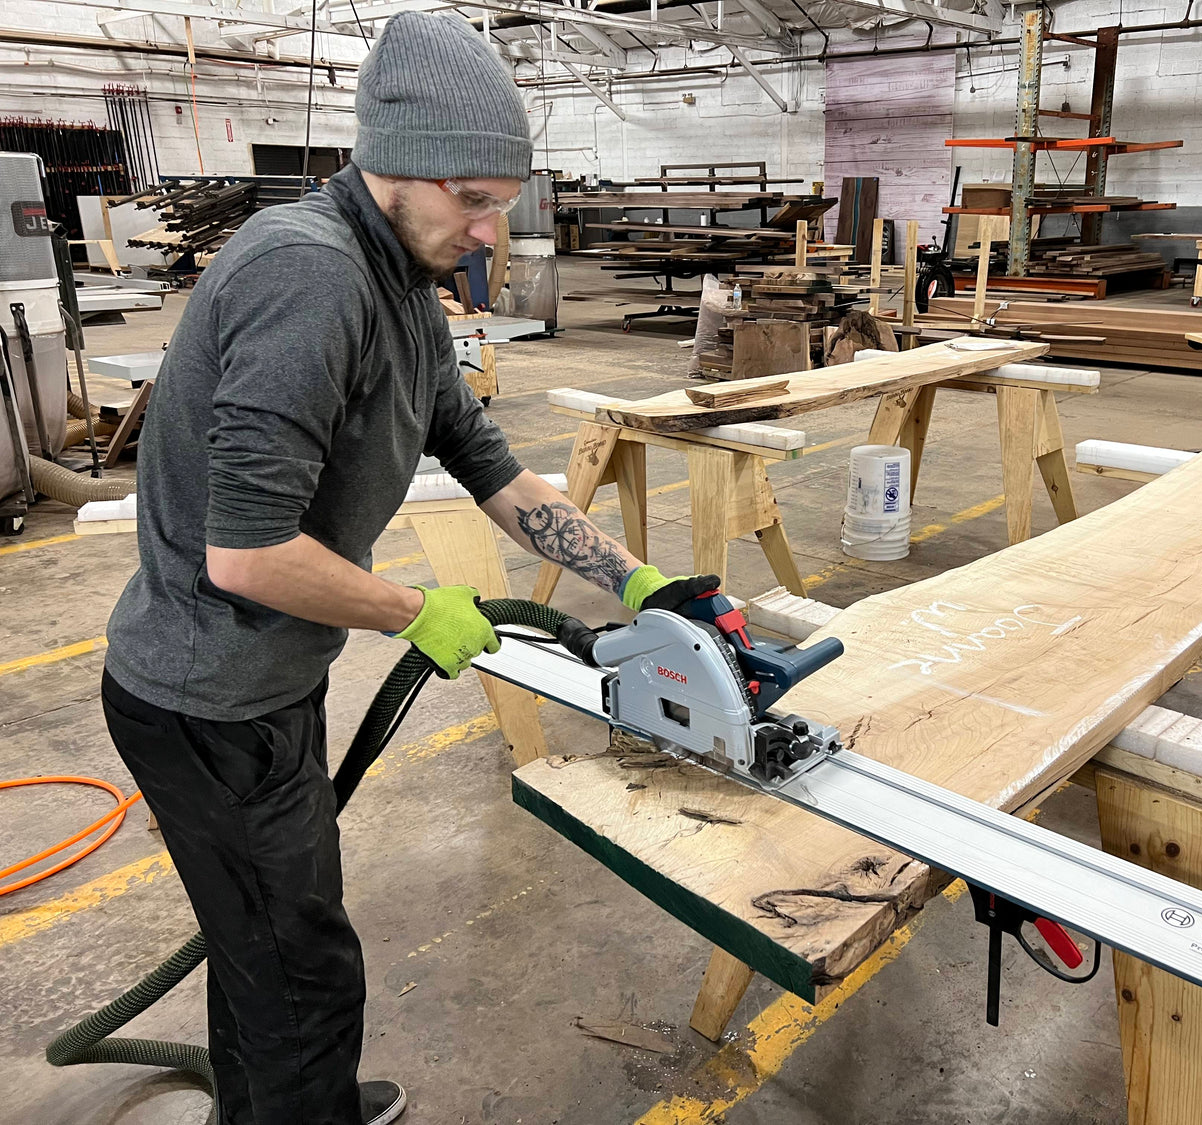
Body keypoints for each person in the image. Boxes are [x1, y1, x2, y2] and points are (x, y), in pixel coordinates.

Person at [99, 13, 714, 1124]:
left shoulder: (401, 288)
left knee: (269, 950)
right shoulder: (310, 278)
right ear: (389, 164)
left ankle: (283, 1101)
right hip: (203, 699)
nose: (489, 233)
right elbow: (243, 553)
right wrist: (409, 607)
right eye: (471, 201)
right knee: (302, 964)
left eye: (502, 203)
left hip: (265, 683)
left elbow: (492, 468)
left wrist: (639, 586)